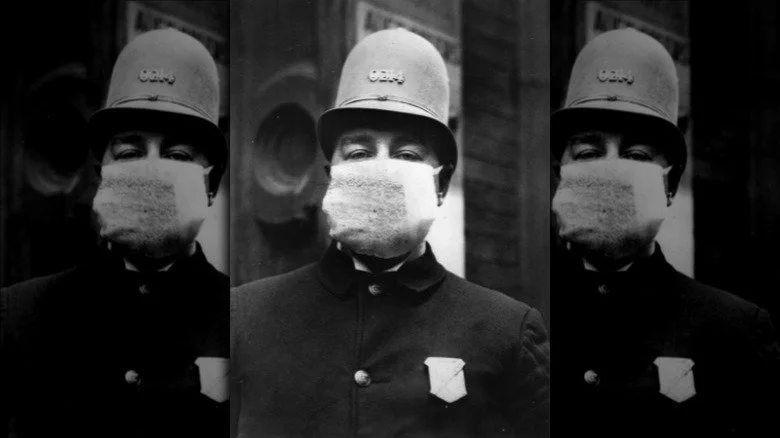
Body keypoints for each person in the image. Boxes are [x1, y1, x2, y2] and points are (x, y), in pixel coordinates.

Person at [231, 28, 550, 438]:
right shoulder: (246, 318)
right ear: (332, 176)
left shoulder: (506, 333)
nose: (381, 169)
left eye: (406, 154)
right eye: (360, 153)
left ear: (440, 182)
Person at [0, 28, 229, 438]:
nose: (153, 168)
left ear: (210, 185)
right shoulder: (19, 318)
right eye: (130, 153)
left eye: (177, 155)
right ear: (101, 175)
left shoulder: (246, 322)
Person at [551, 28, 780, 436]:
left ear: (669, 184)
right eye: (588, 153)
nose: (611, 168)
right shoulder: (517, 319)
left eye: (636, 155)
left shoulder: (734, 332)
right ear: (561, 174)